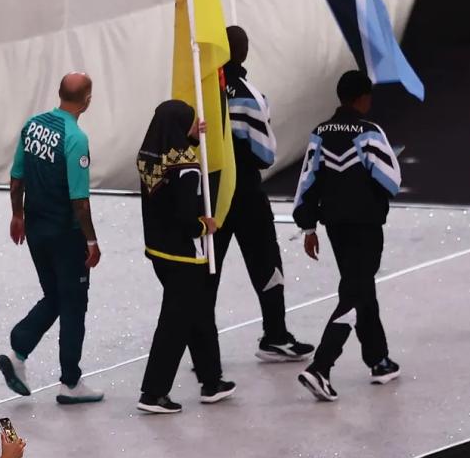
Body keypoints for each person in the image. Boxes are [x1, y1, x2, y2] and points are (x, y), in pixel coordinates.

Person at [293, 71, 402, 403]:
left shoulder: (319, 133)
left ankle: (378, 359)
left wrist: (308, 227)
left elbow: (306, 184)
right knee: (355, 293)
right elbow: (391, 180)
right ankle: (321, 366)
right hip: (366, 226)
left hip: (335, 227)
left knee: (359, 285)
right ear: (364, 99)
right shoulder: (369, 133)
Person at [0, 72, 104, 405]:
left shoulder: (33, 126)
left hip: (36, 231)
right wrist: (91, 241)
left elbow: (17, 178)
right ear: (86, 100)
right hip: (65, 235)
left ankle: (19, 351)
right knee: (74, 304)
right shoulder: (75, 139)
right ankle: (70, 383)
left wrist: (18, 215)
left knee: (55, 295)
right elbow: (79, 200)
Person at [135, 100, 235, 415]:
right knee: (175, 324)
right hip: (184, 256)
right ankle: (153, 393)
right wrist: (203, 224)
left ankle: (211, 379)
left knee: (197, 314)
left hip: (158, 251)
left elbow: (168, 181)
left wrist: (190, 136)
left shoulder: (148, 156)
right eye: (191, 121)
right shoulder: (188, 166)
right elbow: (183, 214)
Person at [219, 27, 313, 362]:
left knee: (206, 270)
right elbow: (265, 153)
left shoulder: (198, 90)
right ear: (243, 53)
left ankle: (200, 346)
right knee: (266, 260)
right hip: (244, 192)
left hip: (208, 194)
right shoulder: (249, 95)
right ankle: (275, 336)